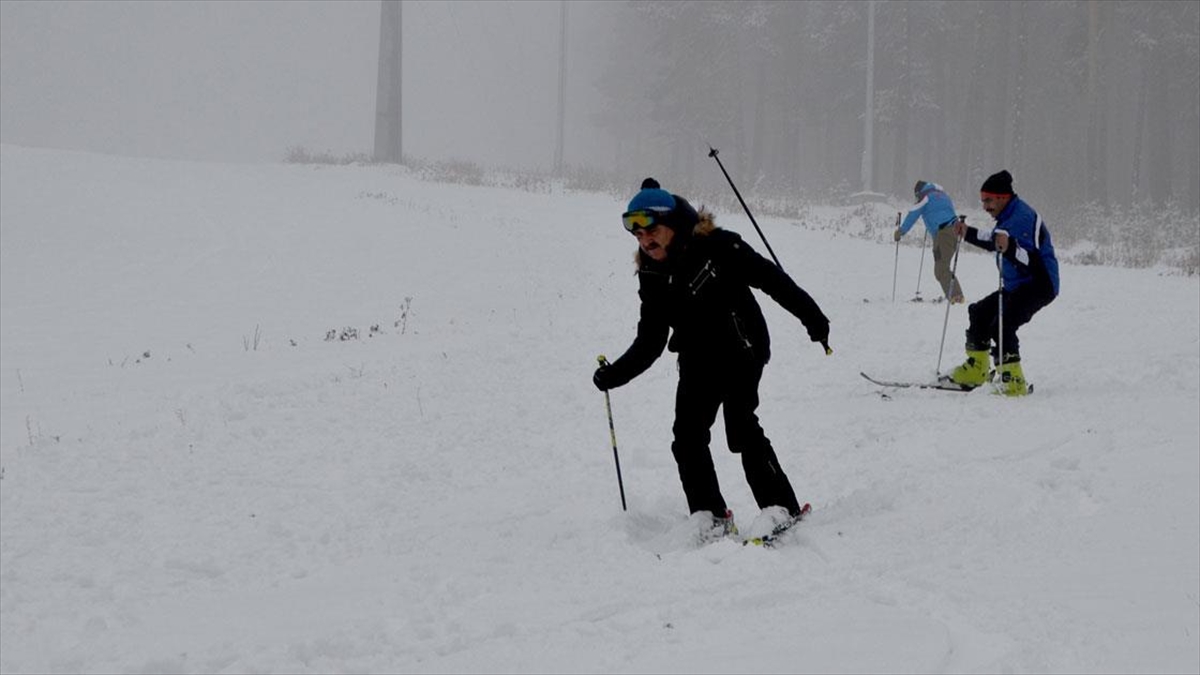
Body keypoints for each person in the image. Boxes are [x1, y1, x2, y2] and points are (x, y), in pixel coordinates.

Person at [592, 178, 830, 540]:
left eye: (651, 231)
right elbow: (651, 339)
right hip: (696, 357)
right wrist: (616, 374)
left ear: (672, 224)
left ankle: (781, 507)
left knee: (741, 428)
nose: (645, 241)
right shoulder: (652, 273)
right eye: (638, 235)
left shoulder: (718, 246)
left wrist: (813, 319)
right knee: (686, 437)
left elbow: (773, 280)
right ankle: (710, 515)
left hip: (743, 347)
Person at [944, 170, 1059, 396]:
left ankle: (1013, 380)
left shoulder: (1021, 219)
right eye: (983, 201)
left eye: (988, 201)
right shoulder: (1007, 215)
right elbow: (994, 240)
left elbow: (1030, 262)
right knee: (979, 313)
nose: (985, 207)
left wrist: (1010, 248)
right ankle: (977, 370)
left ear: (1003, 197)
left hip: (1039, 284)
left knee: (1003, 323)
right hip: (1017, 285)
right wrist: (967, 233)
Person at [894, 180, 966, 303]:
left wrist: (900, 231)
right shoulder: (944, 196)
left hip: (943, 234)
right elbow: (944, 212)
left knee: (941, 269)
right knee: (942, 266)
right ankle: (955, 294)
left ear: (918, 192)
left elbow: (913, 215)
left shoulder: (925, 198)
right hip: (954, 232)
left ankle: (956, 296)